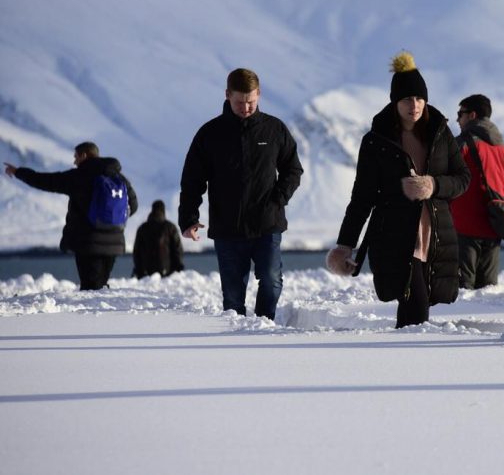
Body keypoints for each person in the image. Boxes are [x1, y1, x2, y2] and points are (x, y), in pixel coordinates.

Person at [326, 53, 470, 328]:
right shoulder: (376, 141)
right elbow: (362, 197)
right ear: (395, 101)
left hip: (436, 234)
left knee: (414, 309)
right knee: (416, 306)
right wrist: (346, 244)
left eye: (418, 98)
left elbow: (463, 178)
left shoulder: (441, 133)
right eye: (406, 99)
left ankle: (400, 364)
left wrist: (434, 185)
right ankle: (412, 364)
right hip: (395, 235)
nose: (413, 105)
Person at [178, 68, 303, 320]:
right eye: (239, 102)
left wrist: (278, 199)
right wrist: (189, 218)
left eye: (251, 102)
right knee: (233, 296)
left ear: (259, 95)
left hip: (267, 223)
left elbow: (293, 169)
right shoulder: (209, 134)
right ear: (227, 95)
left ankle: (264, 325)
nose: (246, 108)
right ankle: (235, 341)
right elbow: (192, 180)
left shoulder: (274, 129)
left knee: (271, 280)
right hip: (228, 227)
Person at [4, 142, 138, 290]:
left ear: (84, 155)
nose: (74, 161)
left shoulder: (79, 176)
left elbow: (45, 181)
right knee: (100, 287)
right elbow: (134, 205)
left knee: (90, 289)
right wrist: (113, 219)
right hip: (115, 243)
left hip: (88, 242)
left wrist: (19, 172)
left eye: (76, 157)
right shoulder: (119, 177)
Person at [451, 93, 504, 289]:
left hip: (464, 227)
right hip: (494, 225)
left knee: (462, 291)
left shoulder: (459, 146)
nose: (457, 119)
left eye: (460, 113)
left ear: (471, 115)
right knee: (487, 291)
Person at [132, 200, 185, 277]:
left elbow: (136, 251)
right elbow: (178, 250)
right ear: (163, 210)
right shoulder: (170, 227)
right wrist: (179, 267)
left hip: (146, 272)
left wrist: (138, 269)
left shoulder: (142, 228)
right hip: (167, 272)